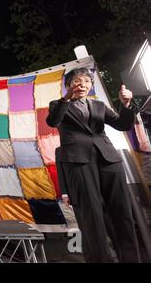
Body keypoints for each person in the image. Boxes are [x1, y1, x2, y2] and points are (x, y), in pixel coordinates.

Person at [46, 67, 139, 263]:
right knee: (91, 216)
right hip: (78, 162)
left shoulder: (98, 105)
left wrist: (126, 104)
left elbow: (123, 125)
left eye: (87, 81)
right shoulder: (58, 105)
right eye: (77, 81)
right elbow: (53, 121)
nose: (83, 85)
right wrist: (66, 98)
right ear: (69, 85)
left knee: (122, 211)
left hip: (108, 159)